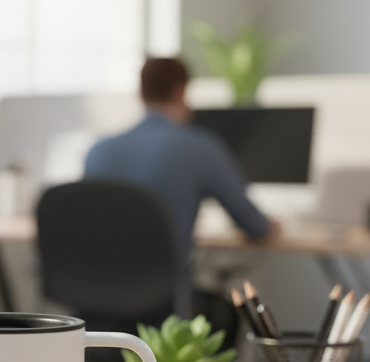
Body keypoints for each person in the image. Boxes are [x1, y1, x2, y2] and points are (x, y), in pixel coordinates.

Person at [84, 56, 277, 267]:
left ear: (141, 95)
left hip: (98, 292)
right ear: (180, 92)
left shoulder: (97, 152)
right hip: (165, 294)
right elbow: (254, 225)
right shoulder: (201, 148)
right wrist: (272, 225)